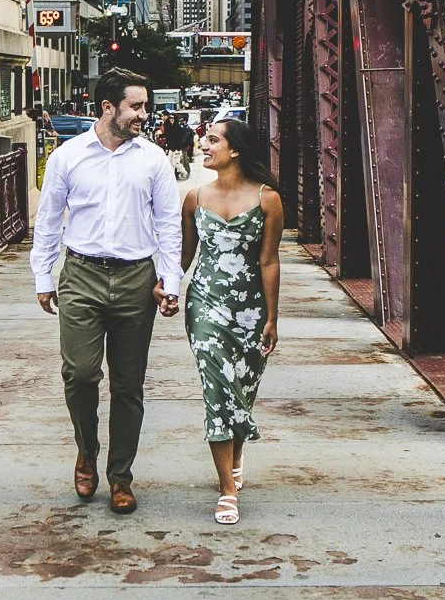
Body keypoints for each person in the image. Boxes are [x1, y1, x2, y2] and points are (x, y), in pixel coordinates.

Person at [30, 68, 183, 515]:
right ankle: (86, 451)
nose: (143, 114)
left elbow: (168, 226)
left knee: (128, 384)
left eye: (145, 106)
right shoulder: (68, 157)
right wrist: (43, 276)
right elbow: (49, 218)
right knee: (79, 374)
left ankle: (120, 476)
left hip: (137, 278)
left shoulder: (152, 159)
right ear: (107, 108)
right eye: (136, 106)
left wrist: (169, 281)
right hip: (81, 274)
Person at [180, 118, 283, 525]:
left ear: (235, 150)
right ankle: (226, 489)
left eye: (213, 140)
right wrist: (164, 288)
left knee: (242, 387)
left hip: (252, 310)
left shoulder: (267, 199)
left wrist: (272, 317)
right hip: (205, 306)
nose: (204, 146)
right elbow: (184, 258)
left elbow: (269, 260)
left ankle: (236, 456)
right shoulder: (194, 198)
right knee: (218, 389)